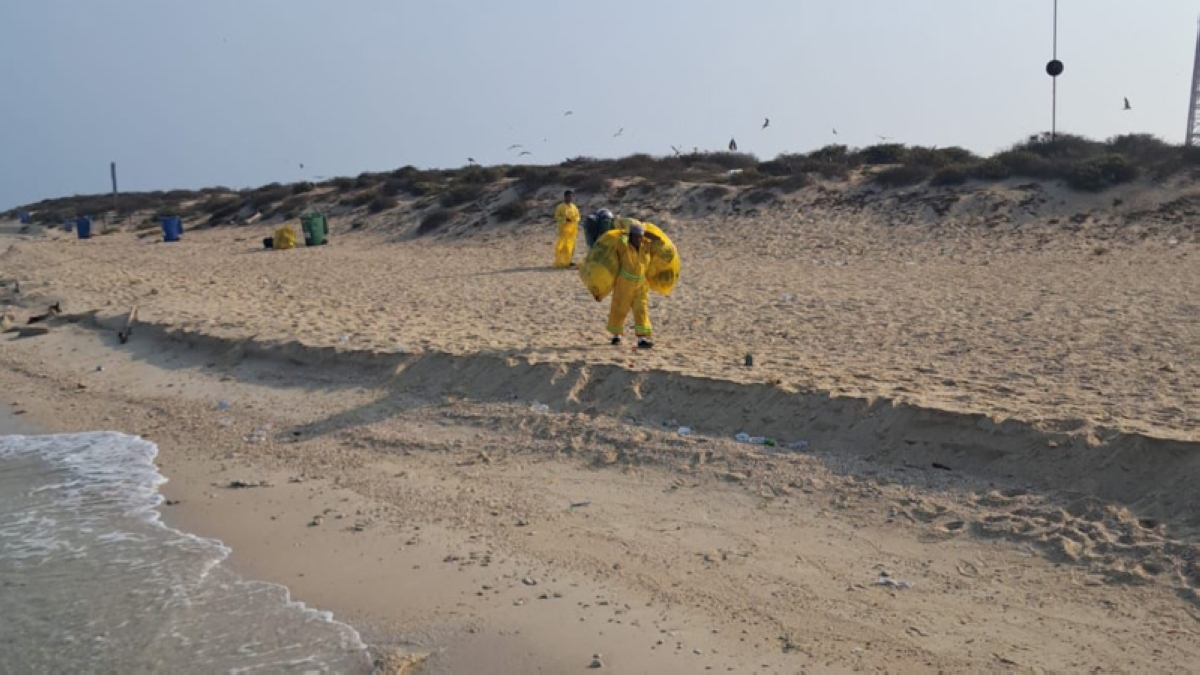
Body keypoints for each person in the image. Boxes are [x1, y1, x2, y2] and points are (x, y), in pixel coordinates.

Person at [604, 222, 675, 349]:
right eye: (636, 236)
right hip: (624, 283)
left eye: (640, 236)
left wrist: (650, 235)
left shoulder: (646, 246)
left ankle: (642, 338)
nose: (639, 239)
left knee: (641, 309)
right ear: (631, 236)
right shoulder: (624, 246)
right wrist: (627, 232)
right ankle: (616, 336)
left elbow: (661, 245)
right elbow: (620, 239)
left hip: (641, 284)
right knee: (620, 308)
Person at [553, 190, 580, 268]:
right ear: (565, 197)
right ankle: (561, 261)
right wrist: (565, 220)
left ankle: (569, 261)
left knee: (571, 245)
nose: (570, 198)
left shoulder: (574, 207)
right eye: (569, 196)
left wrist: (574, 220)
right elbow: (557, 217)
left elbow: (578, 216)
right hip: (563, 231)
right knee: (563, 246)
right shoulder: (560, 207)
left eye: (571, 197)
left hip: (572, 231)